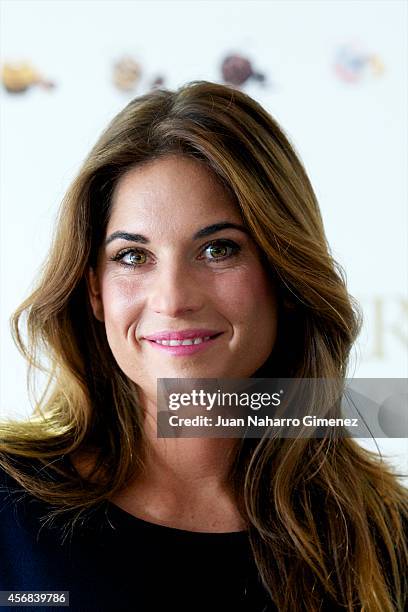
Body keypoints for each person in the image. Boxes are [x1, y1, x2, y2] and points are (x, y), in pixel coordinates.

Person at [0, 81, 406, 612]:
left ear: (284, 277)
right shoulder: (9, 504)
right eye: (131, 256)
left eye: (218, 249)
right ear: (94, 288)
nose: (172, 298)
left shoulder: (384, 534)